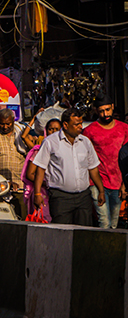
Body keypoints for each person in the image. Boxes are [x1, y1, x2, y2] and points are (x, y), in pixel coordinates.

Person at [32, 108, 105, 226]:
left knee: (83, 234)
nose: (80, 127)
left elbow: (93, 169)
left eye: (81, 123)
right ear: (65, 125)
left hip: (83, 198)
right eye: (76, 124)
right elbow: (40, 169)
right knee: (62, 234)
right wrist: (37, 194)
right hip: (60, 198)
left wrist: (101, 191)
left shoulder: (85, 142)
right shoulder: (50, 142)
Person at [82, 96, 128, 229]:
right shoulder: (89, 131)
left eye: (107, 110)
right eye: (101, 111)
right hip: (97, 182)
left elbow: (126, 160)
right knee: (104, 222)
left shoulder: (124, 129)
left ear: (112, 107)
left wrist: (124, 184)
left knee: (113, 223)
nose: (105, 114)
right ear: (96, 111)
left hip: (117, 183)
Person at [22, 118, 61, 222]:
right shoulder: (39, 150)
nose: (53, 132)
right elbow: (30, 174)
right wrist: (46, 182)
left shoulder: (66, 150)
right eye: (50, 129)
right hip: (42, 192)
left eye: (57, 129)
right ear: (45, 131)